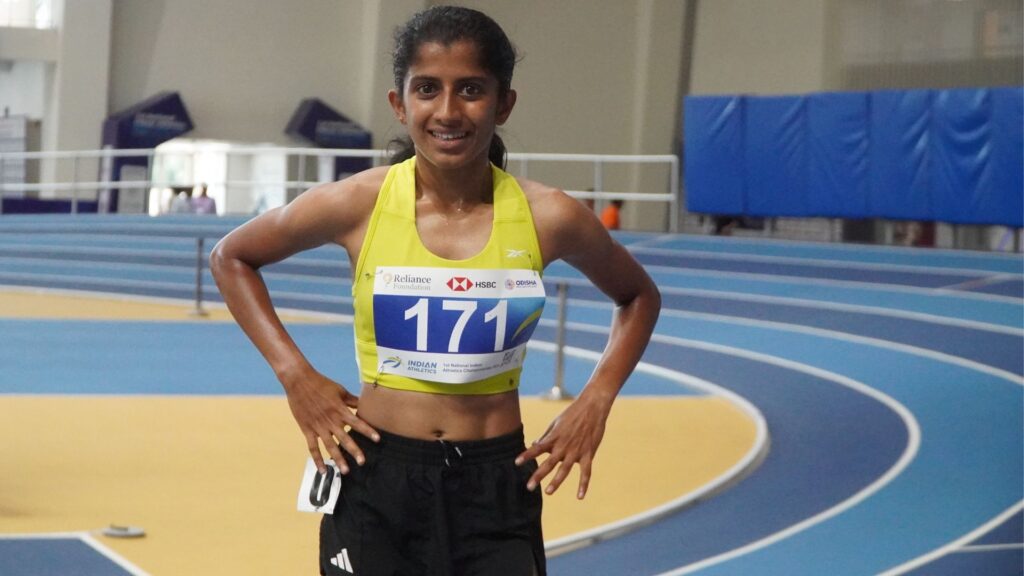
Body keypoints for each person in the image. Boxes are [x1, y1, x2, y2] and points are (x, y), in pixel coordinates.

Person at [210, 6, 660, 576]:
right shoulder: (357, 203)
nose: (448, 111)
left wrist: (596, 400)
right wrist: (296, 377)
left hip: (495, 485)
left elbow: (638, 297)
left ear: (503, 104)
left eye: (471, 89)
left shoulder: (549, 216)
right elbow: (232, 257)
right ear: (400, 104)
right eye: (427, 89)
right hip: (378, 479)